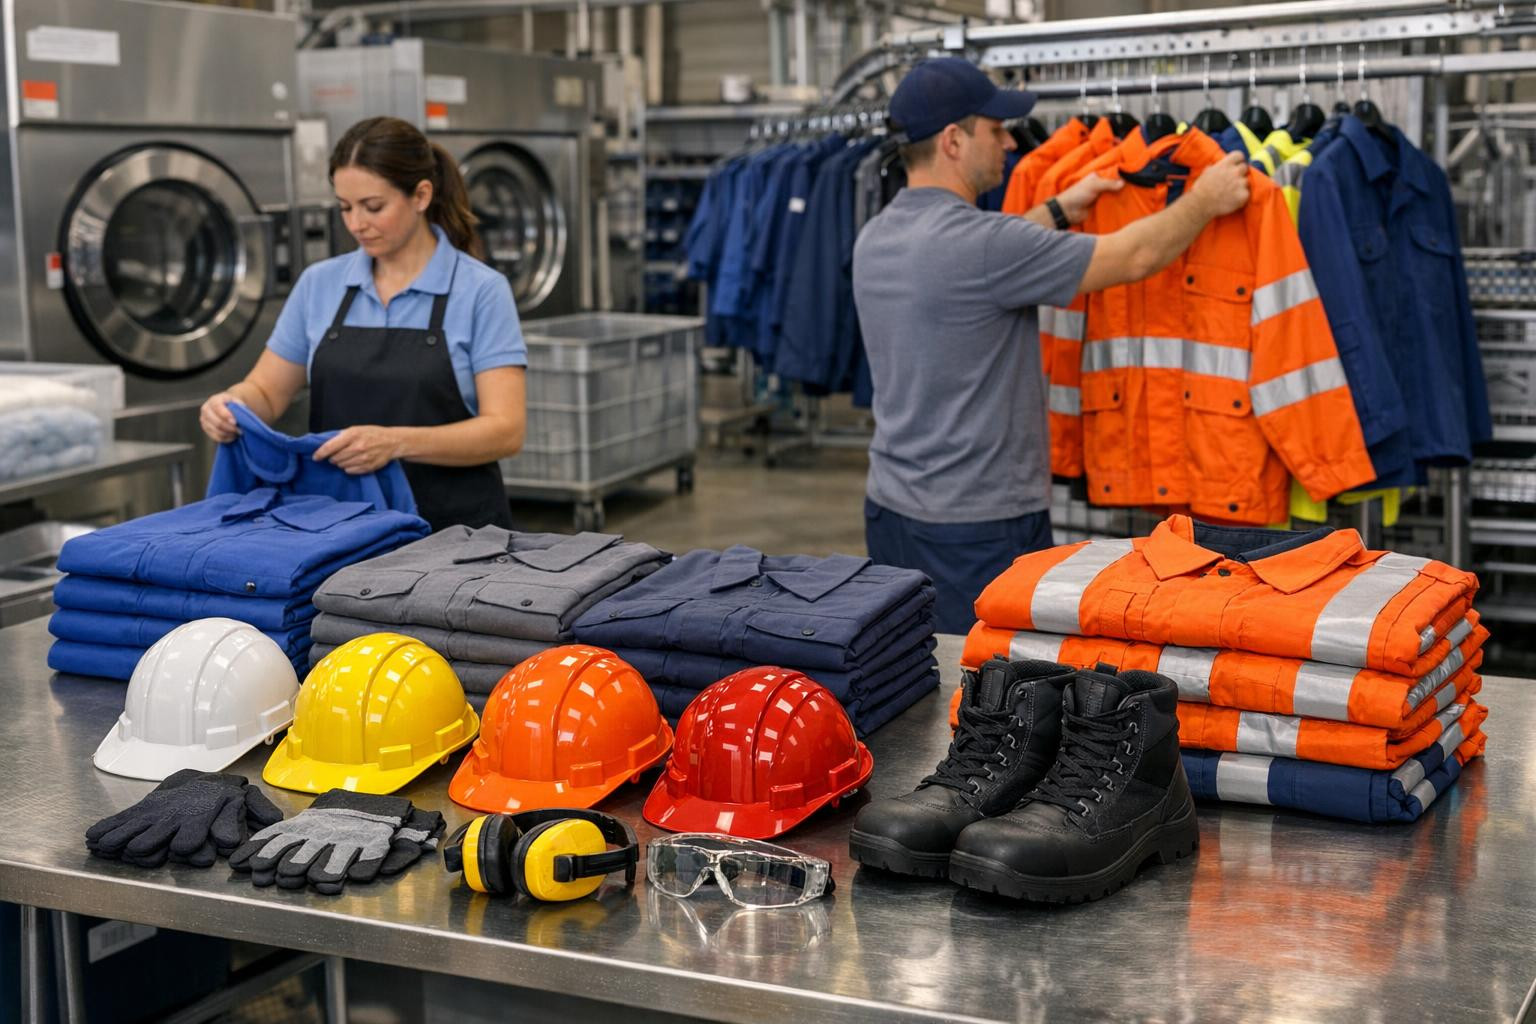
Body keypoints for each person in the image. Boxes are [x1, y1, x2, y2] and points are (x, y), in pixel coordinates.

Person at [853, 58, 1251, 634]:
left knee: (910, 665)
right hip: (978, 526)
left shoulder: (879, 236)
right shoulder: (986, 246)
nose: (1011, 142)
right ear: (954, 141)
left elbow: (986, 262)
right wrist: (1205, 200)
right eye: (996, 129)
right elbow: (1133, 257)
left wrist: (1065, 208)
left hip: (892, 509)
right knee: (981, 686)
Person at [199, 116, 527, 532]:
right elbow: (266, 390)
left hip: (455, 534)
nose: (356, 224)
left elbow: (506, 430)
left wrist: (394, 443)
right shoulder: (320, 284)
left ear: (421, 195)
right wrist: (232, 405)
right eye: (345, 208)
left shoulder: (480, 290)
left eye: (373, 207)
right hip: (338, 528)